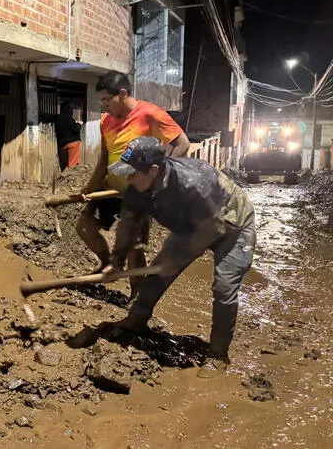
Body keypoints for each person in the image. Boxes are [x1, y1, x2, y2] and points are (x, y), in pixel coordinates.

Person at [103, 136, 256, 378]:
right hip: (192, 224)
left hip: (232, 224)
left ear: (153, 170)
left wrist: (175, 260)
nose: (127, 178)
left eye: (132, 173)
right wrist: (115, 261)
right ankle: (136, 320)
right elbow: (128, 224)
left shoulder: (192, 183)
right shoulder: (138, 188)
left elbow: (212, 229)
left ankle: (218, 354)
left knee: (224, 287)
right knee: (157, 272)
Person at [76, 71, 190, 288]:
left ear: (122, 94)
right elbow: (104, 159)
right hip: (111, 189)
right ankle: (107, 263)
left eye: (106, 100)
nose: (104, 106)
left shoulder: (150, 114)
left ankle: (136, 295)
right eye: (102, 101)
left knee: (134, 247)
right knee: (84, 227)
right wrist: (90, 187)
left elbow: (181, 144)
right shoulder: (106, 122)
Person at [55, 101, 82, 171]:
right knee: (72, 166)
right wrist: (79, 124)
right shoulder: (69, 119)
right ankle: (70, 181)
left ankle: (63, 180)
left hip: (62, 145)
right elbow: (75, 129)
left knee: (64, 166)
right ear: (68, 109)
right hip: (72, 144)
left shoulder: (58, 119)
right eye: (71, 109)